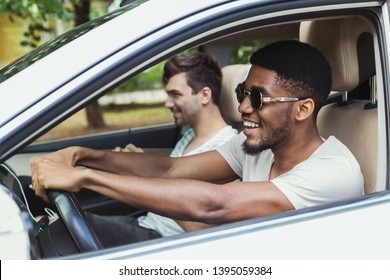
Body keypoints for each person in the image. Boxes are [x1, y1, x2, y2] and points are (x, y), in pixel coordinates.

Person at [31, 40, 364, 248]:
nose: (244, 107)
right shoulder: (257, 147)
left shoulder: (332, 173)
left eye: (258, 97)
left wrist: (87, 178)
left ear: (303, 108)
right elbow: (172, 169)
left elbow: (214, 204)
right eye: (242, 93)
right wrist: (82, 156)